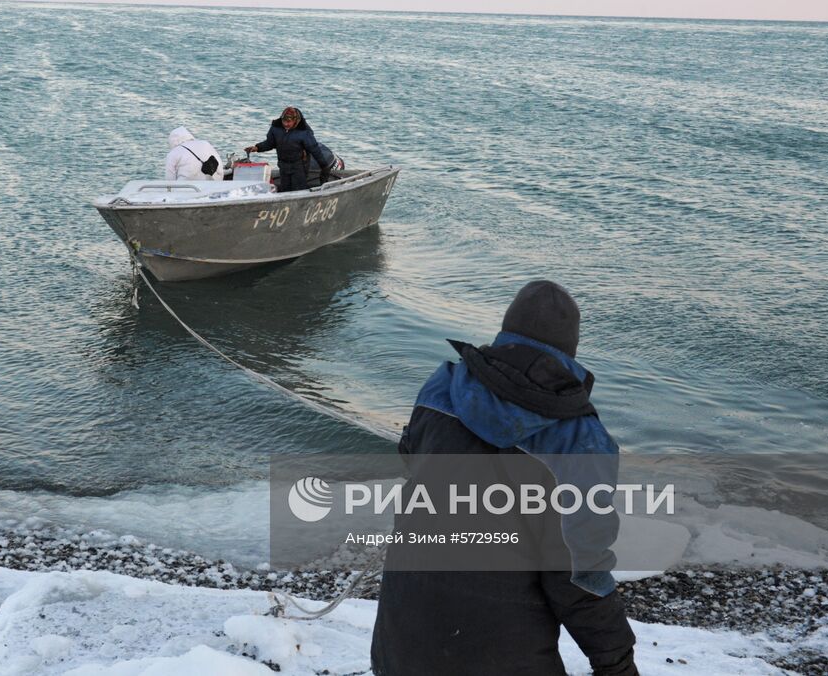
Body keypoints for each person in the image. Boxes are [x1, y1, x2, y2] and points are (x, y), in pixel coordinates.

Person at [371, 280, 639, 676]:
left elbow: (410, 459)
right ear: (570, 350)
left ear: (506, 332)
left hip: (398, 647)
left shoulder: (441, 387)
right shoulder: (581, 443)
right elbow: (580, 578)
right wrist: (618, 666)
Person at [245, 106, 335, 192]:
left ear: (295, 121)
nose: (286, 124)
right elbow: (270, 143)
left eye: (289, 122)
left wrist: (324, 166)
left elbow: (314, 149)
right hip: (283, 165)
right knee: (285, 189)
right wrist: (257, 147)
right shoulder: (275, 128)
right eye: (284, 121)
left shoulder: (304, 132)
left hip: (299, 166)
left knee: (299, 190)